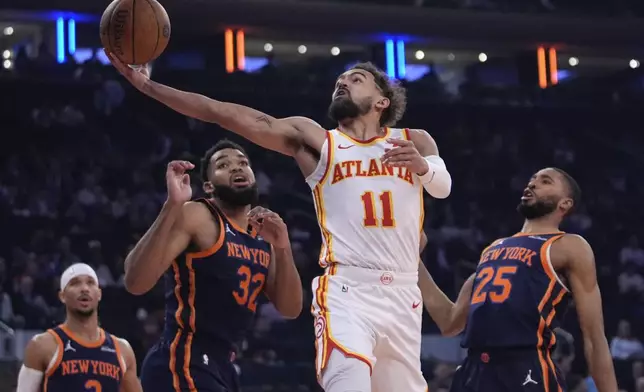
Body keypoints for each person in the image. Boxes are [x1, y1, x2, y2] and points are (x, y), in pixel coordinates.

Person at [107, 52, 452, 392]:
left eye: (355, 79)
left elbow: (443, 186)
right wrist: (149, 86)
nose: (342, 83)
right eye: (339, 81)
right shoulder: (321, 142)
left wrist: (423, 168)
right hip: (349, 291)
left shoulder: (414, 140)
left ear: (382, 100)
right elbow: (222, 113)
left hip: (403, 295)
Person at [123, 140, 303, 392]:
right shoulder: (198, 215)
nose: (236, 168)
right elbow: (134, 281)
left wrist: (283, 248)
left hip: (223, 365)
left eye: (242, 163)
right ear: (208, 186)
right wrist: (172, 206)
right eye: (223, 165)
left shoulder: (264, 234)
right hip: (183, 357)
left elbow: (290, 308)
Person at [418, 167, 618, 392]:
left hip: (525, 368)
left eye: (545, 181)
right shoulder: (493, 249)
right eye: (532, 179)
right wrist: (413, 260)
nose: (532, 184)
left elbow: (594, 337)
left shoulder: (569, 246)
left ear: (565, 204)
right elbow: (450, 322)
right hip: (474, 370)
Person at [17, 263, 141, 392]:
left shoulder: (122, 350)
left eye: (90, 283)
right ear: (62, 296)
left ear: (99, 294)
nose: (84, 289)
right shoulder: (42, 345)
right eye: (75, 283)